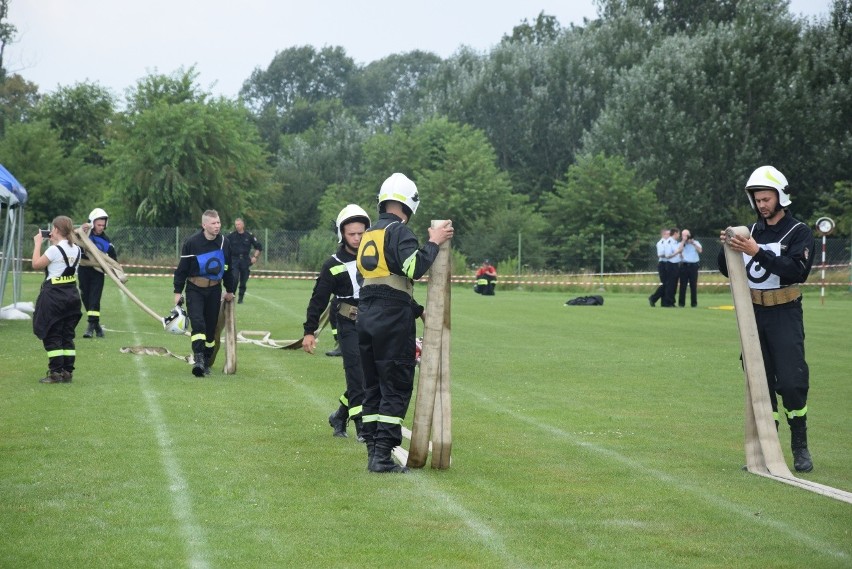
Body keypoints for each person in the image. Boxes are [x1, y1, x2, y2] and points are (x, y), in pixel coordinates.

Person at [717, 165, 815, 473]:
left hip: (784, 312)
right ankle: (764, 448)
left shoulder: (799, 232)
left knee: (791, 381)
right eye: (758, 200)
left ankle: (799, 445)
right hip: (753, 315)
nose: (761, 205)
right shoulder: (751, 231)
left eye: (766, 199)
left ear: (780, 196)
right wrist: (727, 246)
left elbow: (795, 270)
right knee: (758, 380)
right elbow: (727, 268)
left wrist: (756, 251)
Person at [356, 172, 454, 473]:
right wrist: (433, 243)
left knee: (372, 386)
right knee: (396, 384)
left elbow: (379, 282)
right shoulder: (399, 231)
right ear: (409, 204)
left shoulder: (369, 234)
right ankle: (384, 456)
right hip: (390, 319)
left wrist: (415, 308)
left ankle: (374, 451)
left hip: (367, 313)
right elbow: (412, 269)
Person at [302, 204, 372, 441]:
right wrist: (309, 331)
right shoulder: (332, 264)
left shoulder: (376, 258)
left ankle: (339, 415)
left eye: (361, 233)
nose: (356, 238)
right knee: (355, 374)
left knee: (369, 375)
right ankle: (362, 427)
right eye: (351, 234)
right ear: (342, 234)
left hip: (372, 323)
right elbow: (318, 299)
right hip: (347, 323)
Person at [173, 210, 237, 377]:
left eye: (218, 223)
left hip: (214, 290)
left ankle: (207, 361)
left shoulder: (224, 242)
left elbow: (228, 268)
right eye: (213, 223)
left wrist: (230, 290)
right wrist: (177, 291)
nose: (217, 226)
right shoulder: (192, 243)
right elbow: (182, 269)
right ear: (204, 225)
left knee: (210, 330)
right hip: (195, 289)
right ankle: (199, 360)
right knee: (198, 324)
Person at [31, 216, 83, 384]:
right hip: (72, 296)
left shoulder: (54, 250)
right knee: (67, 335)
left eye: (53, 229)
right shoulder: (77, 249)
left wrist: (38, 243)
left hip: (54, 297)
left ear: (57, 230)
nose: (51, 232)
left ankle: (55, 373)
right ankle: (67, 371)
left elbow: (36, 264)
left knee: (52, 333)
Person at [78, 208, 117, 338]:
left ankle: (90, 327)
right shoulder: (83, 235)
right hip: (83, 269)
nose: (101, 227)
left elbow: (113, 259)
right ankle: (97, 326)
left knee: (94, 298)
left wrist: (116, 274)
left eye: (103, 225)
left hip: (97, 272)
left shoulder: (106, 241)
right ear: (92, 223)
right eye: (98, 224)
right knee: (85, 296)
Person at [227, 217, 263, 304]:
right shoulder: (231, 236)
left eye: (239, 224)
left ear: (243, 225)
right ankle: (232, 296)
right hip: (234, 260)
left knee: (243, 281)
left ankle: (240, 299)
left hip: (245, 260)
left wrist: (255, 257)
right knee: (234, 278)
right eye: (236, 224)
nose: (237, 226)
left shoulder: (249, 235)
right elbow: (224, 246)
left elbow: (259, 247)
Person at [677, 229, 702, 307]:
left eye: (686, 235)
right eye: (683, 235)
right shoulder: (681, 243)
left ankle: (694, 303)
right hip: (684, 265)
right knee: (683, 285)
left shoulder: (696, 243)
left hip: (693, 266)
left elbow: (700, 250)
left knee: (693, 285)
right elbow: (679, 250)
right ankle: (681, 303)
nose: (685, 237)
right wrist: (683, 241)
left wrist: (693, 243)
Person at [648, 228, 670, 306]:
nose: (669, 235)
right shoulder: (661, 243)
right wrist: (670, 255)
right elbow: (660, 254)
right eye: (667, 234)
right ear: (663, 234)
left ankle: (663, 302)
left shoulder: (669, 243)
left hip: (668, 263)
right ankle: (653, 298)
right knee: (665, 283)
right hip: (663, 264)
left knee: (667, 284)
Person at [662, 227, 681, 307]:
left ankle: (672, 301)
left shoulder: (675, 242)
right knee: (670, 284)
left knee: (675, 284)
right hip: (670, 264)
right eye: (679, 233)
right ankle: (667, 302)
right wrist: (676, 252)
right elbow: (668, 255)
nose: (679, 235)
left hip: (676, 264)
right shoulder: (669, 242)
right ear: (675, 233)